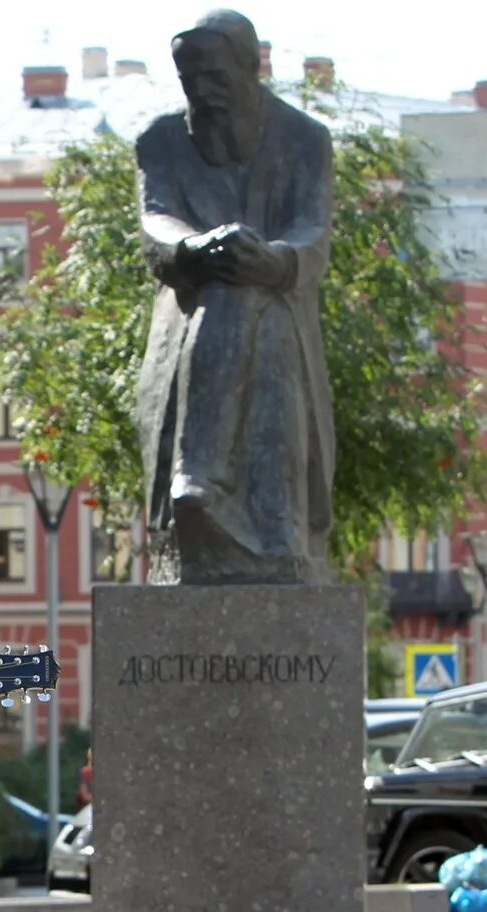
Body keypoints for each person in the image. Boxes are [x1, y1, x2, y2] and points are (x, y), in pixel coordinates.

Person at [134, 7, 336, 585]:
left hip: (281, 310)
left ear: (252, 70)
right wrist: (196, 250)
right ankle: (258, 521)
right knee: (232, 292)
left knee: (254, 303)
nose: (204, 92)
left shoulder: (304, 138)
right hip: (190, 320)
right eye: (190, 79)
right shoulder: (162, 139)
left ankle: (201, 478)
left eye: (216, 77)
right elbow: (156, 222)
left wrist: (276, 260)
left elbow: (312, 233)